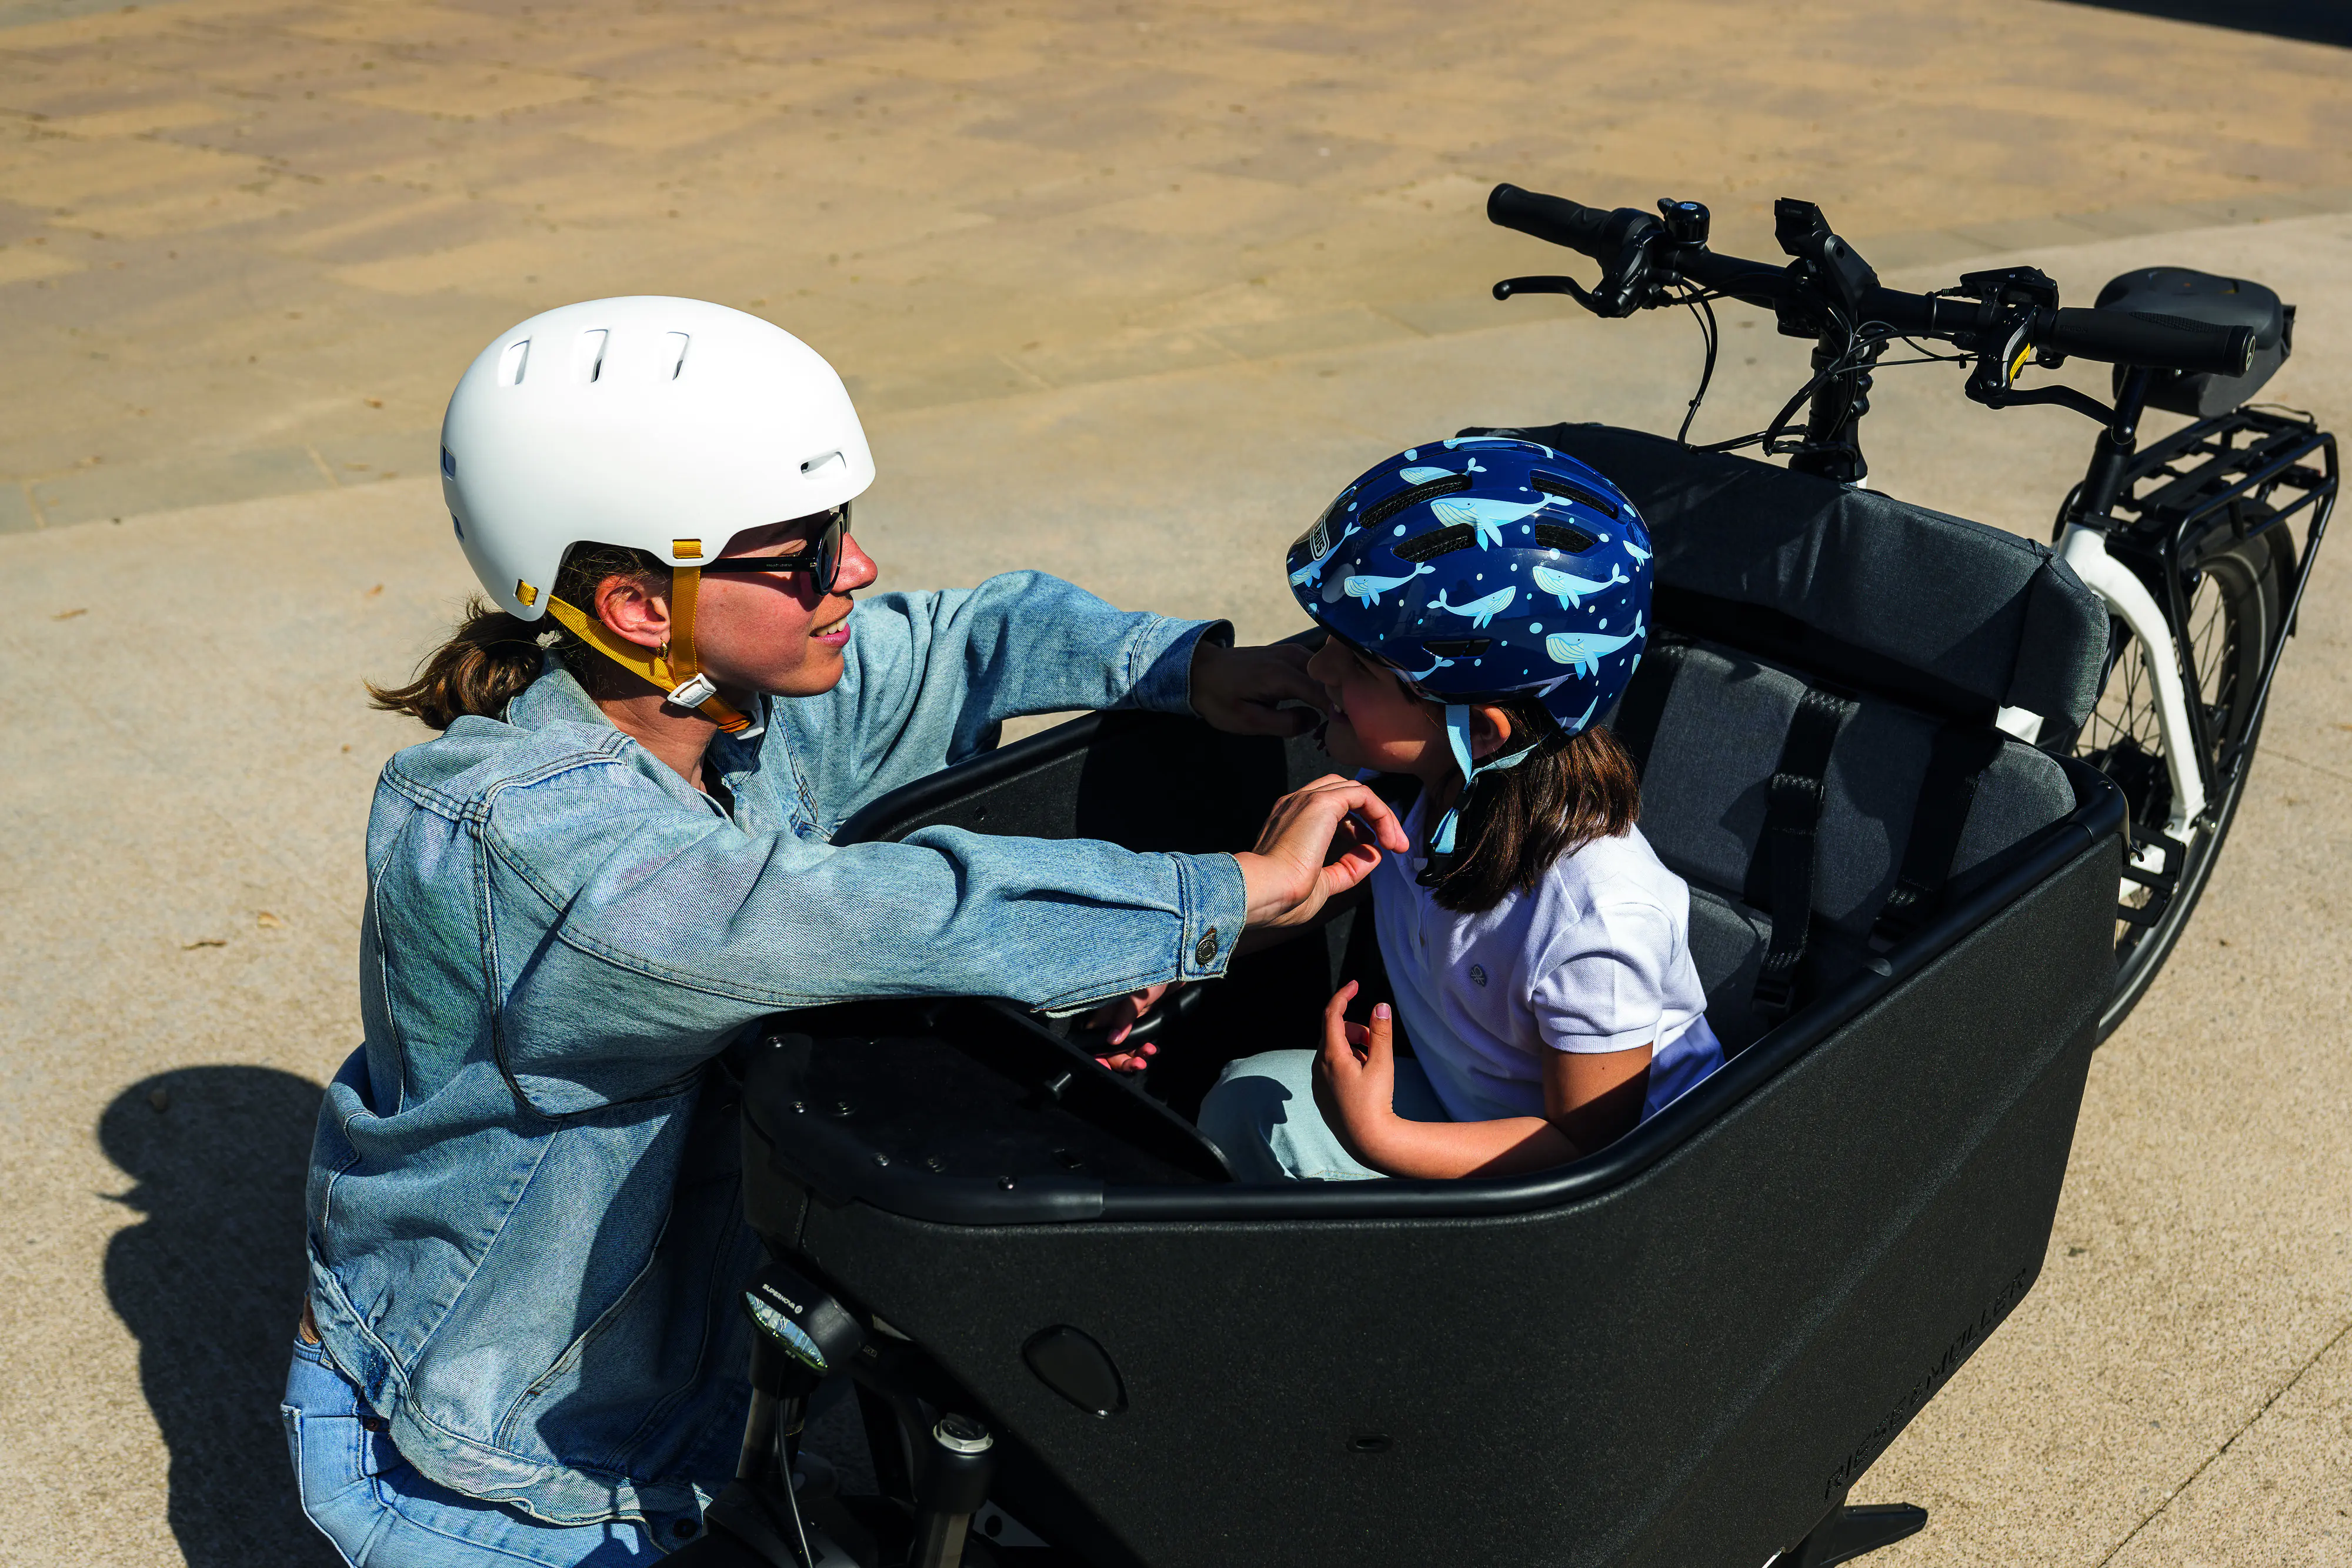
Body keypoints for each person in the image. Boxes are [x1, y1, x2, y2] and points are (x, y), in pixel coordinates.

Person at [282, 296, 1406, 1565]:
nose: (854, 573)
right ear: (643, 609)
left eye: (844, 531)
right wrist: (1223, 892)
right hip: (488, 1459)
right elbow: (880, 914)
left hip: (656, 1398)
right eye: (805, 554)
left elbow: (966, 639)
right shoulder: (538, 848)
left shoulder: (729, 703)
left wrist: (1188, 669)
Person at [1196, 438, 1725, 1182]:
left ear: (1479, 728)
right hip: (1466, 1110)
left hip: (1609, 1184)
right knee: (1247, 1105)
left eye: (1359, 663)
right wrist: (1168, 960)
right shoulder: (1412, 781)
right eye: (1332, 645)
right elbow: (1310, 894)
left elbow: (1591, 1147)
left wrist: (1381, 1138)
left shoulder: (1598, 919)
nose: (1316, 668)